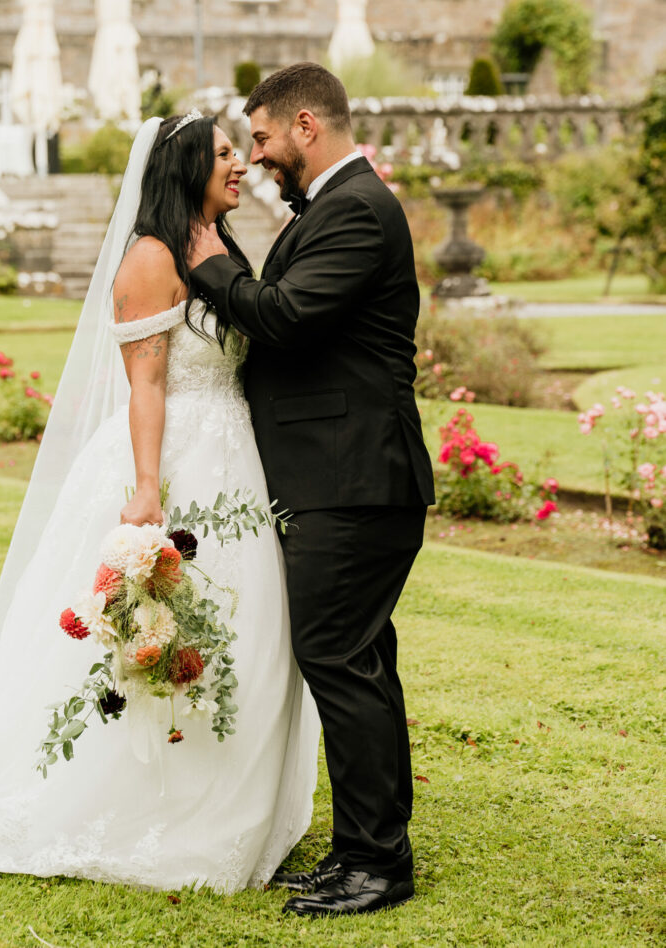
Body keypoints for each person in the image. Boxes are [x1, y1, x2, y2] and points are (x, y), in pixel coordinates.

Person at [0, 113, 319, 891]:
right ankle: (145, 791)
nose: (239, 165)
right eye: (224, 154)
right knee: (161, 625)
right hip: (176, 458)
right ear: (186, 166)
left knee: (249, 626)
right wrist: (150, 488)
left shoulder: (219, 246)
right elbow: (147, 384)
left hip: (238, 462)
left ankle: (232, 789)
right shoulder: (152, 259)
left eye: (239, 151)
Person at [189, 62, 435, 919]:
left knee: (336, 655)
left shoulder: (358, 210)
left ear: (303, 126)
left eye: (259, 138)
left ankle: (377, 865)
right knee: (357, 659)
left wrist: (206, 258)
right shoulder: (338, 205)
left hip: (359, 477)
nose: (254, 157)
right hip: (343, 473)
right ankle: (363, 849)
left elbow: (287, 315)